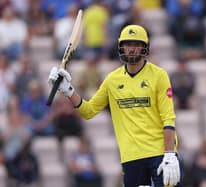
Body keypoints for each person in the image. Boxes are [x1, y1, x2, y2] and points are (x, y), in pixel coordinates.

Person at [48, 24, 182, 186]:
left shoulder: (159, 76)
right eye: (128, 45)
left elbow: (168, 118)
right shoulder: (112, 80)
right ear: (121, 47)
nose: (131, 49)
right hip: (131, 157)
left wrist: (169, 154)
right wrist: (68, 91)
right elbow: (88, 111)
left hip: (160, 154)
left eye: (136, 45)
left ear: (144, 48)